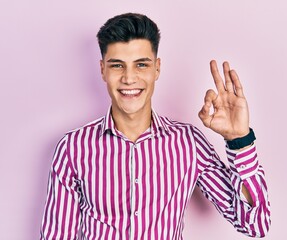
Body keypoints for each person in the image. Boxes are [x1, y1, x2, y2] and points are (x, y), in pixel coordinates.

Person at [40, 13, 271, 239]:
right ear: (103, 70)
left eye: (141, 65)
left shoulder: (187, 143)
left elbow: (255, 225)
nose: (129, 78)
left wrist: (240, 140)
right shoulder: (72, 148)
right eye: (117, 66)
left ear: (157, 68)